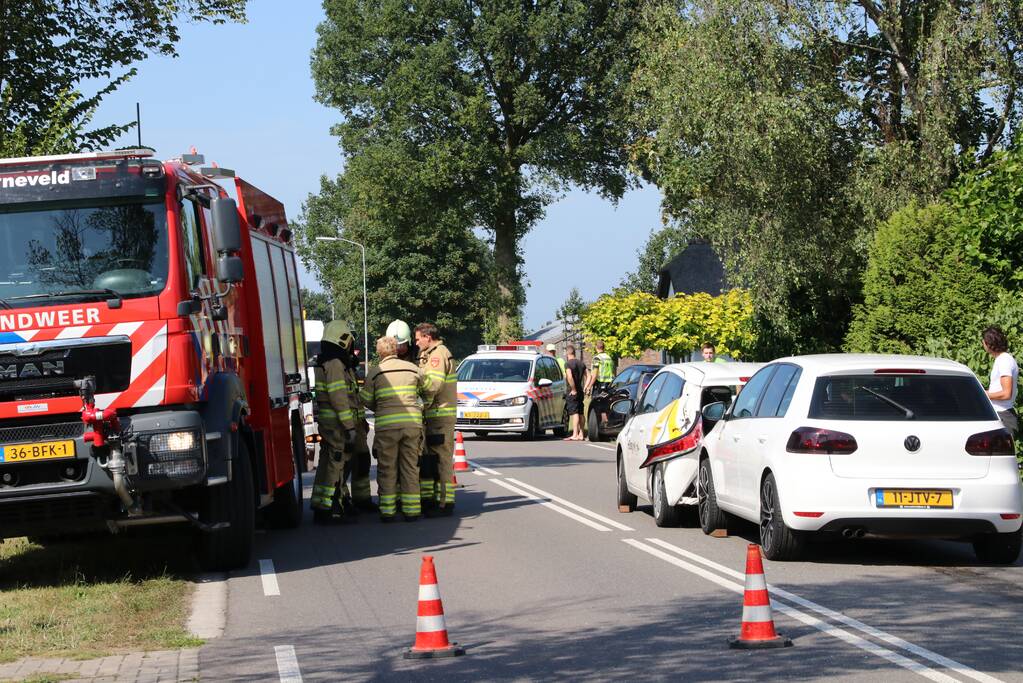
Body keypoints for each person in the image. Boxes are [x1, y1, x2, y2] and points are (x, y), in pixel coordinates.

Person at [360, 335, 435, 522]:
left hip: (387, 427)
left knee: (387, 468)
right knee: (410, 467)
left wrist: (381, 407)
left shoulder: (376, 372)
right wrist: (422, 405)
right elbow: (430, 388)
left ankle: (388, 511)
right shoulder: (412, 368)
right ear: (395, 350)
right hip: (412, 425)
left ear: (379, 352)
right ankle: (411, 511)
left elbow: (365, 399)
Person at [310, 320, 359, 524]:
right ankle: (331, 507)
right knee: (335, 463)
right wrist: (350, 427)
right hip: (337, 423)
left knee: (327, 461)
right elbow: (339, 397)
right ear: (343, 339)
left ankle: (321, 503)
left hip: (329, 421)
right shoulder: (335, 364)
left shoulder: (327, 361)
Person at [415, 322, 458, 515]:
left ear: (427, 337)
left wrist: (420, 401)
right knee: (433, 458)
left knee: (442, 459)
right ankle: (436, 500)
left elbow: (434, 384)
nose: (416, 343)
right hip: (435, 415)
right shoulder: (430, 353)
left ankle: (445, 503)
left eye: (418, 339)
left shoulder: (438, 354)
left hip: (440, 415)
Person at [982, 326, 1018, 437]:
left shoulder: (1004, 361)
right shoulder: (1002, 360)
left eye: (983, 341)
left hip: (1004, 416)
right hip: (1000, 414)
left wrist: (982, 394)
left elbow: (1006, 393)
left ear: (989, 343)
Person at [563, 344, 588, 441]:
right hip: (580, 391)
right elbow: (588, 376)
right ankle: (581, 434)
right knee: (581, 412)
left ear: (567, 353)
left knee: (575, 412)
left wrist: (573, 389)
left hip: (573, 392)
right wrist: (586, 387)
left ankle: (575, 434)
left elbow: (569, 376)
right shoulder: (581, 363)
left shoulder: (568, 364)